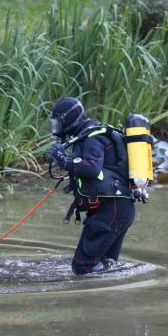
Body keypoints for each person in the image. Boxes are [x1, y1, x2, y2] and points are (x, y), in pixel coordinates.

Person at [47, 97, 136, 275]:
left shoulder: (92, 137)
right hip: (120, 209)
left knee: (82, 268)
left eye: (58, 124)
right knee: (108, 266)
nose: (57, 130)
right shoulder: (92, 134)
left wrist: (63, 159)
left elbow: (91, 169)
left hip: (111, 210)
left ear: (68, 119)